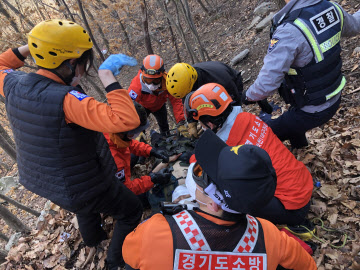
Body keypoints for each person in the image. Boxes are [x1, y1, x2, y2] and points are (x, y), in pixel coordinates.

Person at [0, 19, 143, 269]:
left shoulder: (13, 85)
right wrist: (107, 77)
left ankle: (94, 240)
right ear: (71, 63)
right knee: (130, 210)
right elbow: (126, 120)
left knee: (82, 207)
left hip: (43, 182)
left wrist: (37, 46)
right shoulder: (67, 101)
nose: (83, 72)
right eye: (83, 65)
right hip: (84, 184)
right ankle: (114, 261)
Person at [122, 130, 317, 270]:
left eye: (199, 173)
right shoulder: (270, 236)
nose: (194, 170)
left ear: (214, 203)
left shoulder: (157, 233)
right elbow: (308, 266)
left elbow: (128, 253)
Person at [185, 83, 313, 229]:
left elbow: (200, 164)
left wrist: (191, 157)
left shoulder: (228, 144)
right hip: (302, 184)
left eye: (201, 123)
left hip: (289, 206)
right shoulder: (247, 118)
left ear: (209, 123)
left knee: (226, 199)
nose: (201, 126)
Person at [242, 0, 360, 149]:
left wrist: (246, 96)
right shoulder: (331, 7)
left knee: (263, 135)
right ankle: (300, 147)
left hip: (313, 109)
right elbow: (355, 25)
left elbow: (267, 83)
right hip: (334, 95)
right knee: (291, 118)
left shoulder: (289, 30)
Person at [104, 101, 174, 196]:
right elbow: (125, 190)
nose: (136, 135)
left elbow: (130, 144)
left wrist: (151, 150)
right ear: (122, 130)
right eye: (133, 133)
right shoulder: (114, 159)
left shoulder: (112, 133)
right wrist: (152, 179)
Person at [128, 54, 187, 136]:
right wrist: (135, 130)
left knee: (164, 126)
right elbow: (130, 107)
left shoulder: (168, 82)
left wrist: (181, 121)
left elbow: (176, 100)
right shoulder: (136, 86)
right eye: (148, 80)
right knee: (141, 130)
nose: (152, 84)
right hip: (143, 107)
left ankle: (166, 140)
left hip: (159, 106)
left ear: (161, 75)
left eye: (155, 80)